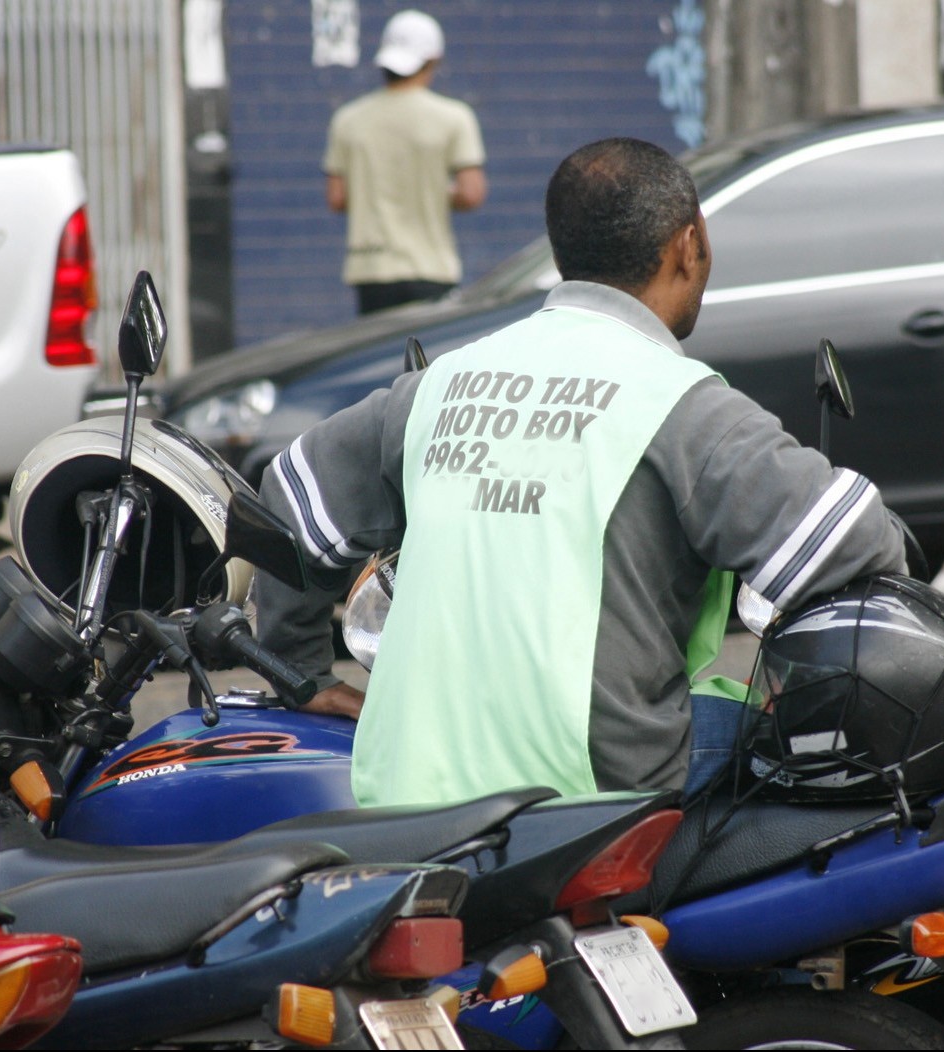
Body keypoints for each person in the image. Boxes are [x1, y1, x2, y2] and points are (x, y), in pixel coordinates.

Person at [254, 137, 906, 808]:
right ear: (689, 244)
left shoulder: (436, 385)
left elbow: (291, 498)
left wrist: (299, 673)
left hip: (405, 779)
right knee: (784, 737)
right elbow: (857, 541)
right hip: (591, 785)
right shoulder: (681, 405)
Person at [323, 8, 487, 315]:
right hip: (431, 267)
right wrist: (430, 191)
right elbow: (470, 193)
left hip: (370, 269)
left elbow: (337, 197)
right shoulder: (454, 118)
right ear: (433, 59)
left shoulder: (347, 120)